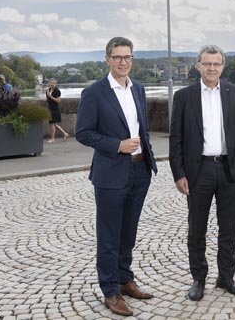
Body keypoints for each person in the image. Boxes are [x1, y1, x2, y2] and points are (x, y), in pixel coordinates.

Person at [76, 37, 158, 316]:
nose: (123, 62)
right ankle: (110, 290)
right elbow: (83, 133)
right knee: (109, 235)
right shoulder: (94, 92)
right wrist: (117, 145)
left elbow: (142, 128)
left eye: (128, 57)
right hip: (111, 173)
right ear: (107, 59)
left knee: (128, 232)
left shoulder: (139, 88)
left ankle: (124, 279)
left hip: (139, 169)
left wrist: (145, 155)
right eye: (118, 56)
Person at [170, 45, 235, 301]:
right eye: (207, 63)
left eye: (216, 64)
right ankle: (198, 279)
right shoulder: (184, 96)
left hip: (229, 170)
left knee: (228, 227)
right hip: (198, 171)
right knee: (197, 228)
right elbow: (176, 139)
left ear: (222, 66)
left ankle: (226, 277)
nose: (211, 68)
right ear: (198, 66)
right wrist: (179, 173)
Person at [45, 78, 70, 143]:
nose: (52, 84)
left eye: (53, 83)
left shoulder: (57, 91)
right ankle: (65, 134)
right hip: (50, 109)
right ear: (49, 83)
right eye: (51, 82)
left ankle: (53, 139)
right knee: (54, 124)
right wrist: (46, 99)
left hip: (55, 109)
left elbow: (58, 101)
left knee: (52, 124)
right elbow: (48, 100)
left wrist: (50, 96)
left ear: (56, 83)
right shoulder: (48, 90)